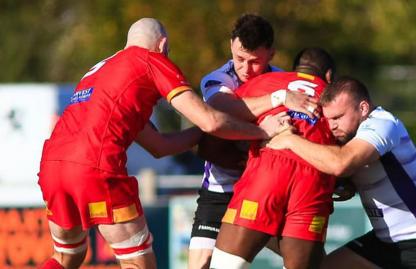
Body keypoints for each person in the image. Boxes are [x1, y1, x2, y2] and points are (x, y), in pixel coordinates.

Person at [37, 17, 288, 269]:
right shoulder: (152, 61)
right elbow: (210, 121)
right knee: (138, 264)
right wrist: (258, 130)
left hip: (52, 167)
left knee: (66, 258)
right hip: (95, 167)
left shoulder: (101, 71)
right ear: (163, 45)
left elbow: (159, 146)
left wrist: (203, 134)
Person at [267, 77, 416, 269]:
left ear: (364, 108)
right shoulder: (349, 133)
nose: (332, 126)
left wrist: (289, 139)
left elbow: (341, 163)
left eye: (338, 117)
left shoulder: (382, 124)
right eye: (329, 119)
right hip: (385, 243)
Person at [189, 14, 318, 269]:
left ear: (271, 53)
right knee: (200, 264)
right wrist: (278, 99)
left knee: (302, 259)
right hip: (221, 189)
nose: (245, 69)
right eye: (239, 58)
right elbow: (219, 108)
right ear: (231, 46)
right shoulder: (220, 78)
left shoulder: (286, 80)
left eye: (255, 61)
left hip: (267, 190)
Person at [209, 48, 337, 269]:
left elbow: (221, 117)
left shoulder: (268, 81)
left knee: (225, 266)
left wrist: (234, 158)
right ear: (329, 76)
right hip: (314, 176)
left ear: (293, 70)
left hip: (269, 166)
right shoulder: (337, 95)